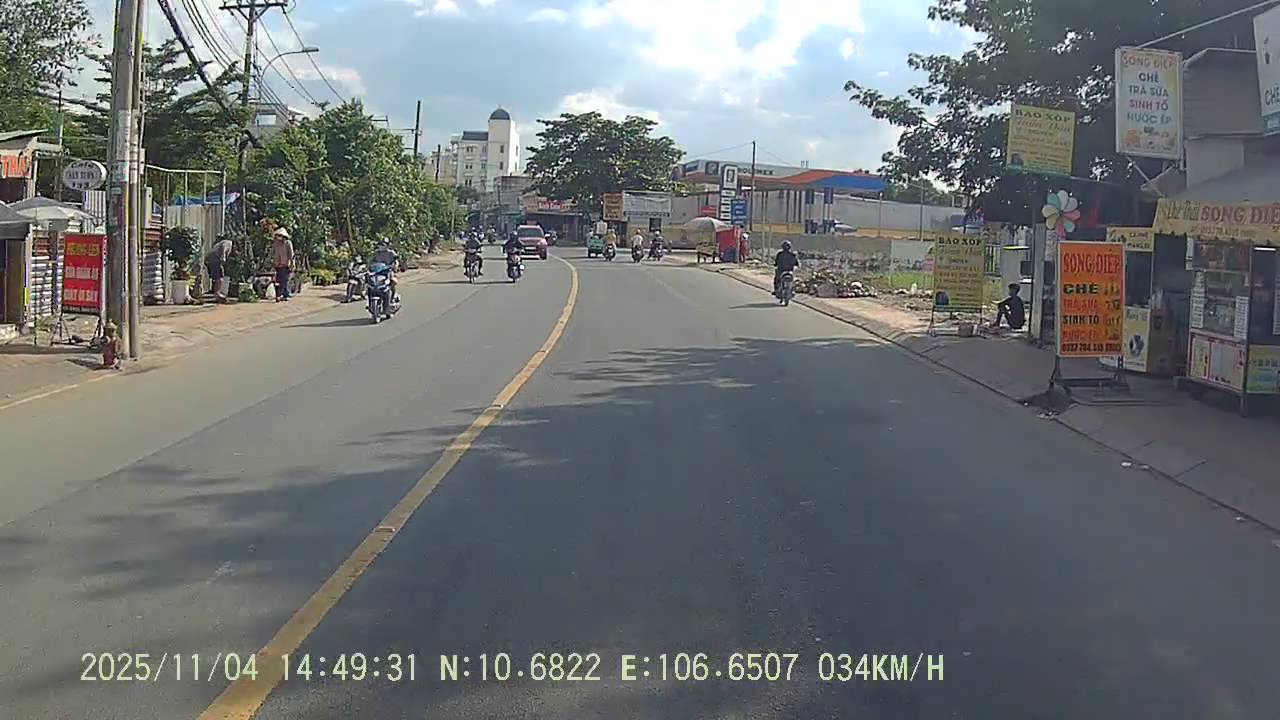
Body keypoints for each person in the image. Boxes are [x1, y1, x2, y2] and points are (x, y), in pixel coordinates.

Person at [204, 234, 233, 301]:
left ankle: (216, 293)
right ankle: (217, 293)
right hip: (214, 259)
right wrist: (223, 257)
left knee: (216, 277)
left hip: (209, 259)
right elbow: (223, 247)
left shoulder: (219, 243)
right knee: (219, 277)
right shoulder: (229, 243)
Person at [271, 227, 294, 302]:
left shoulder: (287, 243)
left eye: (280, 235)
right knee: (278, 280)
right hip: (277, 264)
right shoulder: (275, 244)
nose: (279, 237)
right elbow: (272, 253)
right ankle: (282, 294)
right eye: (278, 235)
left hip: (285, 264)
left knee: (284, 280)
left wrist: (292, 263)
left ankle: (283, 294)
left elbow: (291, 254)